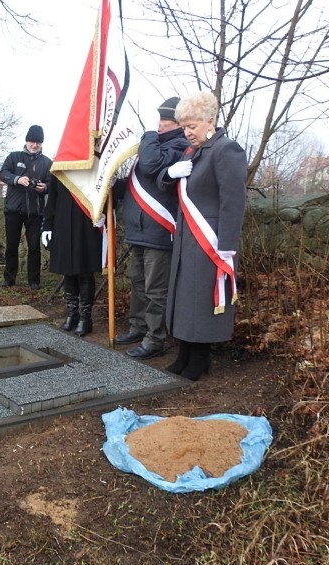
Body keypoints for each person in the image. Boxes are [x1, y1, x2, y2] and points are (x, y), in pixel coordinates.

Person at [158, 91, 247, 380]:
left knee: (201, 302)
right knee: (185, 301)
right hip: (187, 239)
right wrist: (170, 174)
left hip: (210, 241)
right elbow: (163, 185)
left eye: (191, 127)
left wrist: (227, 246)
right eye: (184, 127)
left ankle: (199, 359)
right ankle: (184, 354)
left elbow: (232, 202)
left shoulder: (226, 150)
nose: (187, 133)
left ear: (210, 121)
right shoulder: (190, 153)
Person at [113, 97, 189, 358]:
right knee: (139, 282)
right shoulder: (157, 144)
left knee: (156, 289)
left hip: (158, 229)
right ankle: (138, 326)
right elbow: (142, 181)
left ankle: (155, 339)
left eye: (165, 120)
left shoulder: (179, 145)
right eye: (159, 120)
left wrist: (147, 135)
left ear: (178, 122)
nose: (159, 125)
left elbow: (149, 166)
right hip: (140, 230)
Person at [41, 179, 103, 337]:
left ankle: (85, 318)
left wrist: (102, 212)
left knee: (84, 271)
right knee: (67, 271)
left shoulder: (91, 165)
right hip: (62, 224)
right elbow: (52, 199)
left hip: (86, 224)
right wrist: (47, 225)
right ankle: (72, 314)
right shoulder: (59, 167)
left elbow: (102, 191)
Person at [0, 125, 53, 289]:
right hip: (13, 210)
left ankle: (34, 281)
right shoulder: (14, 157)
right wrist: (17, 179)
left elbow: (53, 184)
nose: (34, 145)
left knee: (34, 247)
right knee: (11, 246)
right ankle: (9, 279)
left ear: (42, 143)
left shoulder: (47, 162)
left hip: (35, 212)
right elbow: (3, 173)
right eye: (32, 141)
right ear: (26, 141)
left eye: (38, 142)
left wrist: (44, 188)